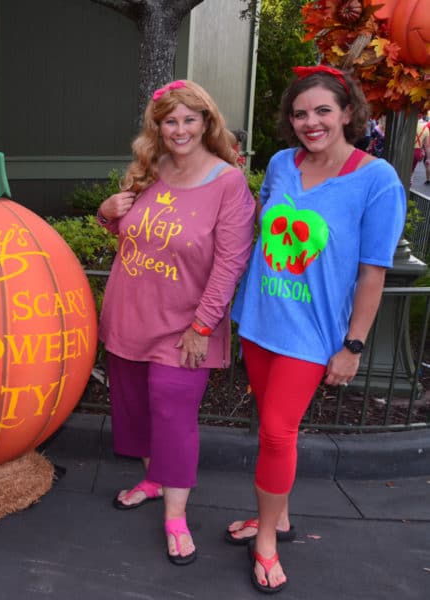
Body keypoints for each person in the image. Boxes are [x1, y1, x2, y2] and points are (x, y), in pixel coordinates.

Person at [227, 65, 405, 593]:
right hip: (260, 320)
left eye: (324, 110)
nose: (311, 122)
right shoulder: (282, 163)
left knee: (277, 431)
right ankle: (275, 515)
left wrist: (353, 345)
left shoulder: (377, 179)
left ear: (349, 113)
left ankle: (267, 540)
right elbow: (261, 232)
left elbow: (373, 271)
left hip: (312, 333)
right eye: (301, 113)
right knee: (272, 426)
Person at [97, 80, 255, 566]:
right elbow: (128, 237)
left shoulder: (228, 183)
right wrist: (106, 215)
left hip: (186, 328)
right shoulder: (150, 170)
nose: (180, 129)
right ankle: (151, 478)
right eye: (170, 120)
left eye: (190, 118)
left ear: (207, 122)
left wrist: (203, 326)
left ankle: (175, 517)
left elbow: (231, 262)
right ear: (158, 127)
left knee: (174, 416)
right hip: (127, 318)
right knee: (136, 409)